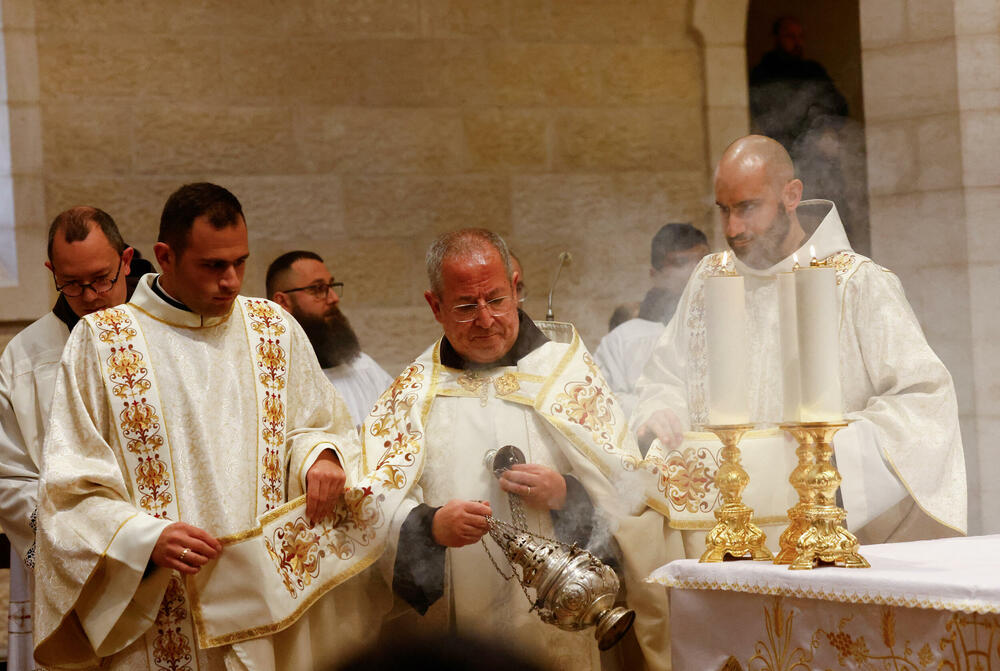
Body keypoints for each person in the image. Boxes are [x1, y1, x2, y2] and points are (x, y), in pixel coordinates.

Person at [33, 184, 381, 670]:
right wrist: (141, 537)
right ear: (164, 257)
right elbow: (69, 490)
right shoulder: (102, 344)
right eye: (213, 266)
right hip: (165, 609)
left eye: (240, 262)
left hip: (270, 599)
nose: (233, 280)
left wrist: (321, 455)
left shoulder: (273, 329)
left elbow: (321, 424)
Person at [368, 229, 676, 671]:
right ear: (435, 306)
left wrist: (567, 495)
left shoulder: (565, 375)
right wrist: (429, 526)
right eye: (464, 306)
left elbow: (632, 493)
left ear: (515, 287)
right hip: (457, 633)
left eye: (495, 299)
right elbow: (372, 505)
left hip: (562, 623)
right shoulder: (413, 394)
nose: (485, 319)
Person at [633, 135, 966, 544]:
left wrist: (829, 447)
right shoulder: (710, 280)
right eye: (723, 211)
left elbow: (925, 401)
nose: (733, 229)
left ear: (791, 195)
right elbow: (665, 376)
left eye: (747, 208)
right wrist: (659, 410)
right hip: (722, 535)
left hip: (827, 534)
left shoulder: (856, 284)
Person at [0, 207, 140, 671]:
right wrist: (81, 546)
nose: (90, 297)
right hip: (77, 572)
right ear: (51, 273)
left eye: (101, 279)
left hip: (172, 553)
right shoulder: (26, 356)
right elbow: (11, 477)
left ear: (126, 260)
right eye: (72, 284)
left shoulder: (167, 329)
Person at [266, 251, 393, 429]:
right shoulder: (269, 383)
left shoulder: (365, 369)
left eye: (331, 286)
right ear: (283, 302)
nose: (333, 298)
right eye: (318, 289)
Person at [594, 223, 708, 422]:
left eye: (702, 262)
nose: (695, 271)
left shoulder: (729, 328)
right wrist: (652, 414)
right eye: (681, 263)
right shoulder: (623, 340)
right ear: (654, 275)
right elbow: (602, 402)